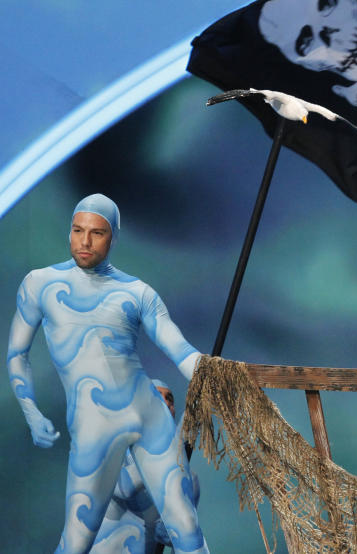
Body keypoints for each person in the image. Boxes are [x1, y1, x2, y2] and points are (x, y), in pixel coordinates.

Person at [7, 194, 208, 554]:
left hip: (149, 415)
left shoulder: (138, 292)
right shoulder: (40, 284)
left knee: (188, 530)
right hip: (94, 426)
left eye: (96, 233)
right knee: (77, 539)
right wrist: (31, 411)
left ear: (112, 237)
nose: (84, 242)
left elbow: (180, 349)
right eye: (77, 230)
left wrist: (219, 375)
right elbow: (17, 355)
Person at [90, 380, 200, 554]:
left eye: (169, 399)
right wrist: (176, 444)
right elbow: (126, 487)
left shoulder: (188, 479)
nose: (166, 403)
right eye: (156, 397)